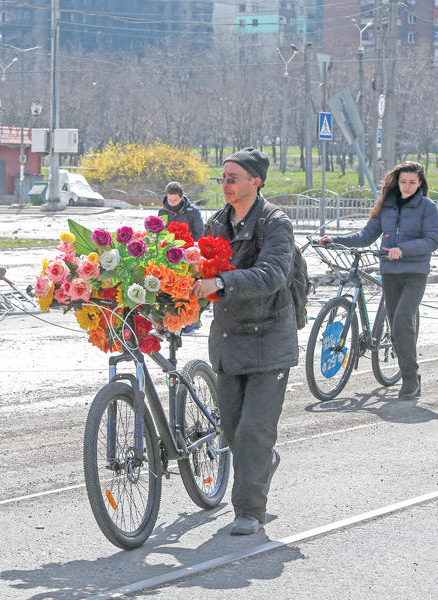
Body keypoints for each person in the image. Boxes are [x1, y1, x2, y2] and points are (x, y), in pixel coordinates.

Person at [191, 147, 298, 536]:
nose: (225, 184)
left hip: (269, 341)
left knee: (254, 431)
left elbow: (272, 275)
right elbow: (199, 268)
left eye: (233, 178)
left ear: (256, 181)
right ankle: (261, 466)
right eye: (223, 178)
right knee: (234, 430)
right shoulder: (217, 221)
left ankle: (249, 511)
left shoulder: (275, 223)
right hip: (229, 341)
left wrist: (220, 282)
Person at [319, 161, 438, 400]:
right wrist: (336, 239)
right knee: (395, 329)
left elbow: (432, 240)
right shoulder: (388, 205)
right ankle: (409, 374)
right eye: (403, 182)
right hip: (390, 273)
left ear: (420, 183)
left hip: (415, 272)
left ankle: (410, 378)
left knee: (402, 322)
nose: (407, 187)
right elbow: (366, 235)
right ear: (397, 181)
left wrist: (402, 249)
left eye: (412, 183)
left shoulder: (427, 206)